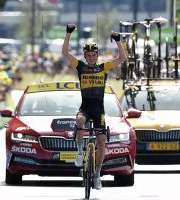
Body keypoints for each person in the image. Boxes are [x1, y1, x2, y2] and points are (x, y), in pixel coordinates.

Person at [62, 24, 126, 190]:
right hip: (85, 106)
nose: (91, 57)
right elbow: (65, 53)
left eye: (93, 55)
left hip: (99, 109)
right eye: (88, 55)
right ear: (85, 56)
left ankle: (97, 174)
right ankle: (79, 152)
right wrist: (68, 33)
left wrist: (118, 40)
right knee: (79, 120)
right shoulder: (81, 67)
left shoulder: (103, 67)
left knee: (101, 141)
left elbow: (122, 58)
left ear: (97, 55)